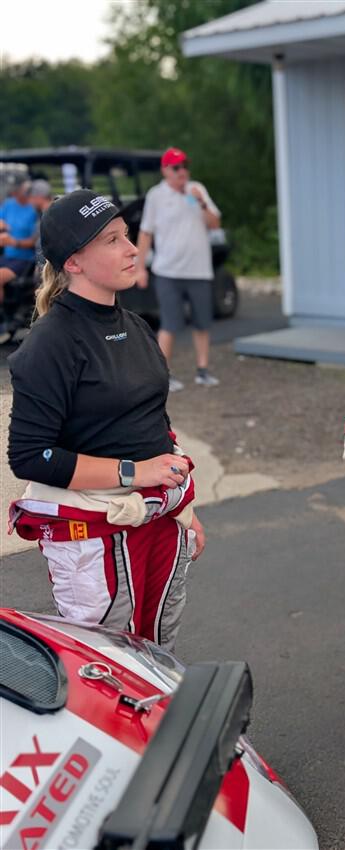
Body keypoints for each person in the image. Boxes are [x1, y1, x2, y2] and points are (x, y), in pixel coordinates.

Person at [8, 189, 205, 649]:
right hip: (93, 537)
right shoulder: (50, 344)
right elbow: (31, 456)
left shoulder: (134, 326)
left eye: (127, 235)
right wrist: (134, 473)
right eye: (112, 240)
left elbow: (153, 423)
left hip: (158, 522)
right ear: (73, 262)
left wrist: (183, 509)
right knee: (106, 668)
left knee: (158, 654)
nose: (132, 248)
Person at [136, 147, 221, 392]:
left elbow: (215, 224)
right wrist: (140, 267)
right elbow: (145, 232)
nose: (182, 171)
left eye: (185, 166)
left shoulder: (198, 190)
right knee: (169, 324)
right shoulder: (156, 195)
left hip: (199, 270)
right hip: (168, 271)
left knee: (202, 323)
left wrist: (201, 202)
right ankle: (164, 375)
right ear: (165, 171)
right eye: (176, 167)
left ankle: (203, 370)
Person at [0, 177, 38, 302]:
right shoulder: (9, 204)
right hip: (7, 256)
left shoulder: (34, 209)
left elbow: (34, 241)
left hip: (24, 259)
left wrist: (13, 242)